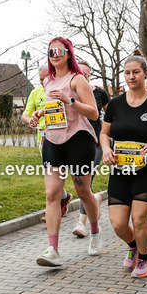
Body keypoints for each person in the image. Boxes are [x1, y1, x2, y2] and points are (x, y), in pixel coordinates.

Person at [100, 55, 147, 277]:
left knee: (139, 219)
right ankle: (133, 246)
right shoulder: (115, 105)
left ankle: (144, 259)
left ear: (145, 74)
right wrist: (106, 149)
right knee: (118, 223)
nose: (131, 76)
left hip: (146, 170)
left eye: (136, 72)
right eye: (127, 73)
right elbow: (104, 133)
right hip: (120, 170)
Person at [32, 38, 101, 266]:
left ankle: (94, 230)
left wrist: (71, 100)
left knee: (83, 192)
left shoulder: (77, 78)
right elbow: (55, 107)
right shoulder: (48, 81)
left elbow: (93, 114)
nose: (54, 54)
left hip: (78, 139)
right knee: (52, 193)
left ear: (68, 53)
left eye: (59, 50)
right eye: (50, 51)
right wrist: (40, 113)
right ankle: (53, 250)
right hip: (53, 139)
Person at [23, 62, 75, 219]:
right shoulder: (36, 92)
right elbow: (25, 114)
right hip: (45, 139)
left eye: (46, 78)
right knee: (52, 179)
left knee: (59, 176)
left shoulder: (64, 88)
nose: (43, 82)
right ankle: (62, 198)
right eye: (40, 79)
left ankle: (55, 208)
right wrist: (30, 120)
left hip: (66, 137)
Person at [72, 61, 109, 237]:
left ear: (90, 74)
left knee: (86, 180)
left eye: (86, 73)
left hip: (95, 143)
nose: (83, 76)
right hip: (75, 144)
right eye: (80, 72)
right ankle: (95, 199)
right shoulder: (69, 92)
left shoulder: (100, 93)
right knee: (81, 185)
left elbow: (110, 116)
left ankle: (82, 223)